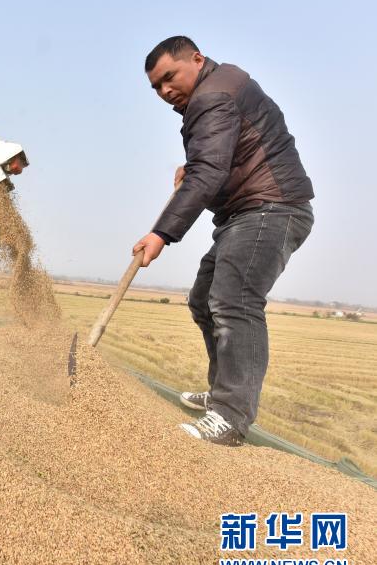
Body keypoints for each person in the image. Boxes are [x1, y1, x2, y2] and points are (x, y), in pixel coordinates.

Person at [134, 36, 314, 446]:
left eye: (169, 77)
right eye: (156, 87)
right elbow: (221, 155)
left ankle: (230, 417)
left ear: (196, 59)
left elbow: (212, 170)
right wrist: (195, 165)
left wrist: (162, 232)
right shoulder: (222, 86)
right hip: (250, 210)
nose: (164, 91)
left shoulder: (212, 96)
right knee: (203, 299)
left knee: (235, 302)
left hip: (270, 208)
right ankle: (222, 394)